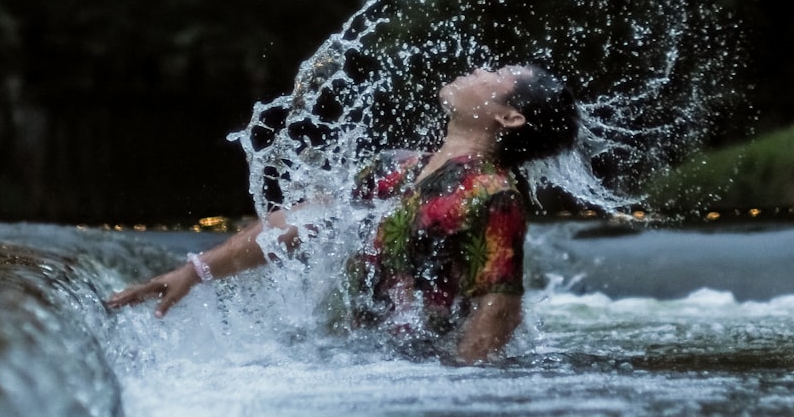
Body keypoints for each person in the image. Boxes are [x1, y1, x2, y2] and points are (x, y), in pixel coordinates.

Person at [107, 64, 579, 364]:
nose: (479, 69)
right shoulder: (395, 168)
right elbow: (297, 226)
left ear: (509, 117)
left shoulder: (492, 195)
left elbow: (498, 311)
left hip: (417, 373)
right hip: (354, 360)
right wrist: (196, 269)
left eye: (496, 73)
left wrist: (456, 398)